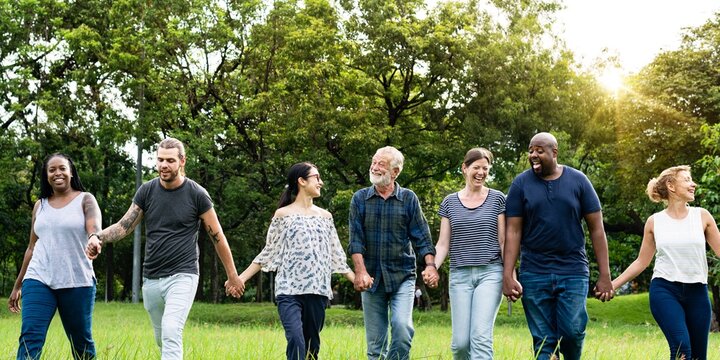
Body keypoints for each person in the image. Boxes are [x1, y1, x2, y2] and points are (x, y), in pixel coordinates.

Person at [85, 137, 243, 360]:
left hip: (183, 274)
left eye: (169, 160)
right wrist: (97, 237)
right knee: (162, 338)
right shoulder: (147, 191)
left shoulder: (197, 194)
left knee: (170, 330)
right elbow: (124, 225)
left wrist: (232, 275)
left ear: (182, 161)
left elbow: (217, 236)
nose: (163, 165)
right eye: (160, 160)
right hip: (151, 278)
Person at [502, 132, 613, 360]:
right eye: (531, 150)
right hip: (534, 271)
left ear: (554, 153)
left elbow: (597, 229)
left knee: (572, 332)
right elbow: (512, 231)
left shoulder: (579, 180)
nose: (533, 155)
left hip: (572, 270)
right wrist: (508, 274)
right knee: (543, 341)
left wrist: (605, 274)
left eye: (539, 150)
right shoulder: (520, 184)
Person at [236, 162, 355, 360]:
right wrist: (239, 279)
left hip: (317, 291)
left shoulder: (326, 217)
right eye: (316, 177)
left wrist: (358, 280)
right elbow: (268, 252)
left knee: (311, 347)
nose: (321, 182)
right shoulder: (283, 215)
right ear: (301, 181)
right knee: (296, 340)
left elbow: (337, 256)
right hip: (289, 291)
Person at [610, 165, 720, 360]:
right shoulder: (654, 222)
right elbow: (641, 262)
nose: (693, 184)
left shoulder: (702, 216)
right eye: (687, 179)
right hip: (665, 290)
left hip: (698, 293)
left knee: (698, 357)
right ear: (671, 185)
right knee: (682, 349)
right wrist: (613, 286)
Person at [348, 146, 439, 360]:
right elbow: (355, 240)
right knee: (375, 345)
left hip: (402, 276)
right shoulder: (360, 199)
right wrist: (360, 272)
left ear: (395, 172)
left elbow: (422, 237)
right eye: (374, 162)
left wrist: (430, 265)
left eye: (381, 164)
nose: (375, 167)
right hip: (371, 278)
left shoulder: (408, 199)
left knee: (402, 327)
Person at [8, 153, 101, 360]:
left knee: (81, 342)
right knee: (30, 336)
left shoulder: (85, 199)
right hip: (38, 278)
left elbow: (93, 228)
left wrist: (94, 238)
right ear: (46, 175)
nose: (57, 173)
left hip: (76, 280)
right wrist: (18, 285)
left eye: (62, 168)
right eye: (52, 170)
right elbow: (32, 248)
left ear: (71, 172)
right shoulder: (40, 205)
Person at [434, 147, 506, 360]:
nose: (481, 172)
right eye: (476, 167)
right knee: (460, 345)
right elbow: (443, 244)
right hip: (460, 276)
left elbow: (504, 241)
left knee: (480, 339)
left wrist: (510, 275)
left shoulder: (498, 199)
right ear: (464, 169)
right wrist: (432, 267)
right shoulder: (449, 202)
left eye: (485, 168)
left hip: (491, 273)